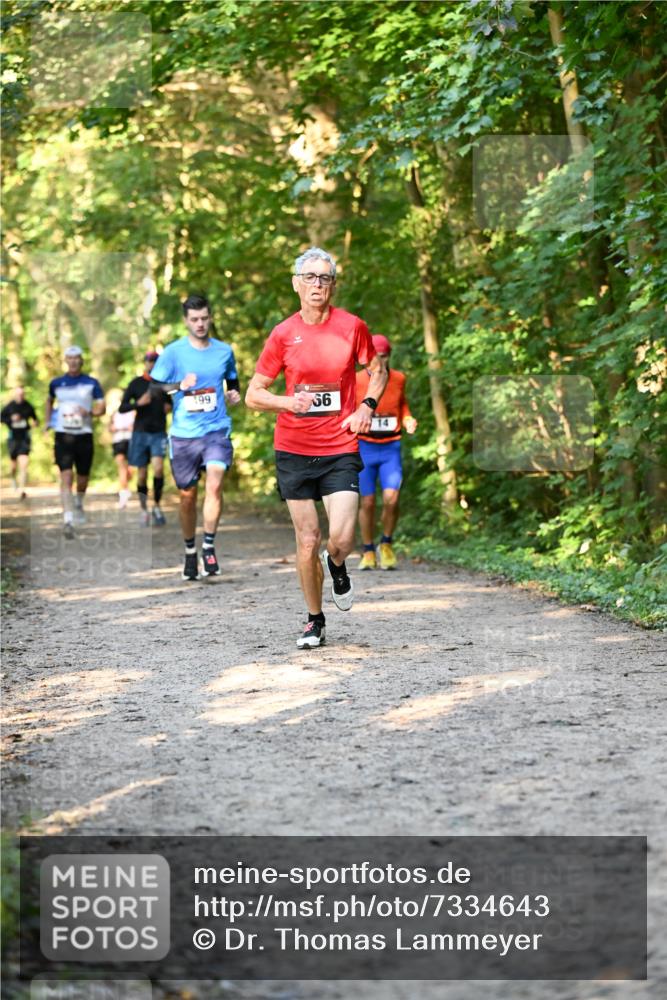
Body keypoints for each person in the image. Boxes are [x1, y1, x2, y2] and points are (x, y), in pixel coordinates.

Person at [245, 247, 387, 649]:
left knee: (341, 539)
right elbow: (254, 394)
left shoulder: (352, 327)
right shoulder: (283, 334)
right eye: (310, 277)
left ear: (333, 285)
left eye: (325, 277)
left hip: (340, 446)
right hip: (293, 449)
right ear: (296, 284)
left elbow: (377, 371)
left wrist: (366, 406)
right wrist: (288, 402)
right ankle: (314, 619)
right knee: (307, 539)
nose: (317, 284)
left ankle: (336, 564)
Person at [150, 295, 240, 579]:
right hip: (184, 435)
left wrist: (233, 394)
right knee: (187, 496)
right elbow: (154, 389)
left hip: (216, 429)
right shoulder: (173, 352)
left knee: (215, 484)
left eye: (204, 318)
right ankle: (190, 551)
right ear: (185, 321)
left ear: (210, 317)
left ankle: (209, 547)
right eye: (194, 320)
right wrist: (179, 385)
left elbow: (233, 381)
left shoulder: (224, 351)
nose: (200, 324)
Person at [356, 334, 418, 570]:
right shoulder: (356, 379)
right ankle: (368, 550)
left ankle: (386, 544)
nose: (379, 362)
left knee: (392, 500)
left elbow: (402, 405)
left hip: (391, 447)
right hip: (365, 447)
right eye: (375, 357)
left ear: (389, 356)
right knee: (368, 502)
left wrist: (408, 419)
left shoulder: (399, 378)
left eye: (383, 357)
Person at [44, 345, 105, 538]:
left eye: (76, 358)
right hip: (63, 435)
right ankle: (68, 520)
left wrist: (90, 412)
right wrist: (47, 422)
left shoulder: (91, 383)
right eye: (70, 358)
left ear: (81, 360)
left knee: (83, 478)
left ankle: (79, 502)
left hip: (84, 434)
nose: (73, 361)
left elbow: (102, 407)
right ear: (66, 360)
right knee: (66, 476)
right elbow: (48, 401)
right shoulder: (56, 383)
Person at [118, 351, 171, 526]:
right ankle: (143, 510)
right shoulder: (136, 383)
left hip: (158, 433)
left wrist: (168, 407)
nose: (153, 364)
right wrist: (138, 404)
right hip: (140, 433)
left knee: (158, 469)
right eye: (150, 361)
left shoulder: (164, 384)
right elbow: (122, 408)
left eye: (156, 361)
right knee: (141, 475)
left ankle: (157, 506)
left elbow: (172, 404)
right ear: (145, 363)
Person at [1, 386, 39, 498]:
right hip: (13, 438)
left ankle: (22, 488)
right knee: (13, 465)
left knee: (24, 463)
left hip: (24, 438)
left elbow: (35, 419)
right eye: (18, 394)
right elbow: (1, 418)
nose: (20, 396)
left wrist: (35, 424)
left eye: (22, 394)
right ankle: (13, 479)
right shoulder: (9, 406)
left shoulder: (28, 406)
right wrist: (11, 419)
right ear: (15, 394)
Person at [108, 396, 134, 509]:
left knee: (130, 469)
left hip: (131, 441)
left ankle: (125, 486)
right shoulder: (114, 413)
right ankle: (123, 493)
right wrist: (114, 428)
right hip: (118, 441)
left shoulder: (133, 412)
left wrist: (132, 427)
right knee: (122, 468)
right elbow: (110, 427)